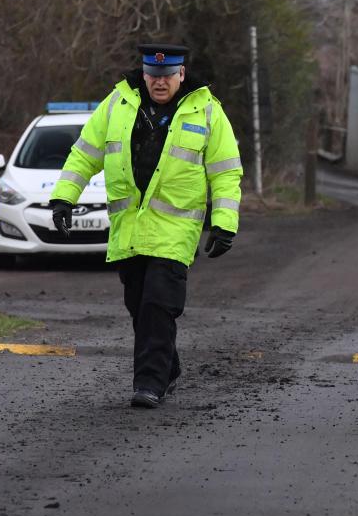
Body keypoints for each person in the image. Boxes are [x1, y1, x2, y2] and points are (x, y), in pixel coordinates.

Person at [50, 43, 243, 408]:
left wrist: (224, 223)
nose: (159, 82)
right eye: (153, 75)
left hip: (174, 232)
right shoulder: (118, 104)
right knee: (139, 305)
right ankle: (167, 366)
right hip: (130, 229)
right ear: (143, 73)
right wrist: (64, 197)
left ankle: (149, 384)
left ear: (181, 74)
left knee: (158, 302)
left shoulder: (206, 111)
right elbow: (85, 153)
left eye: (167, 75)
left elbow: (226, 171)